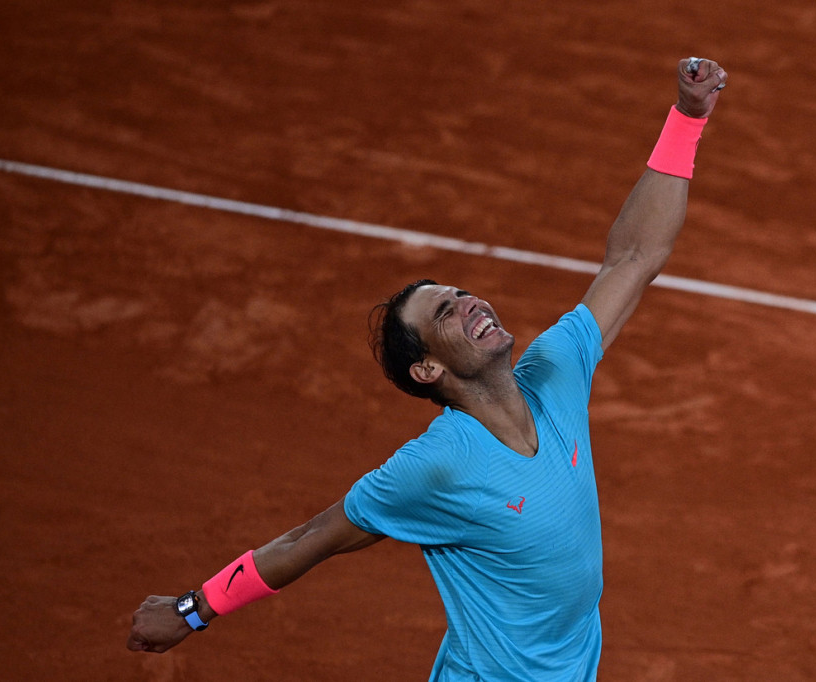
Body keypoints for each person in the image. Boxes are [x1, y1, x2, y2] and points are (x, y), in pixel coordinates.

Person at [127, 55, 727, 680]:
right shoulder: (437, 466)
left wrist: (686, 120)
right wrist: (192, 609)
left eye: (462, 293)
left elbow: (632, 257)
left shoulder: (556, 370)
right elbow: (309, 540)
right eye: (445, 313)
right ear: (428, 371)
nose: (470, 303)